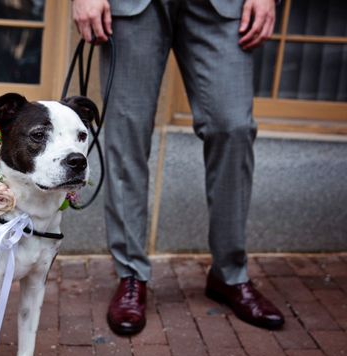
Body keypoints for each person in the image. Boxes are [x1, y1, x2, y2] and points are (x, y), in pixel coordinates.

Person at [72, 0, 285, 335]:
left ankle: (230, 275)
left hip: (222, 8)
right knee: (125, 135)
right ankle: (130, 276)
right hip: (132, 8)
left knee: (233, 127)